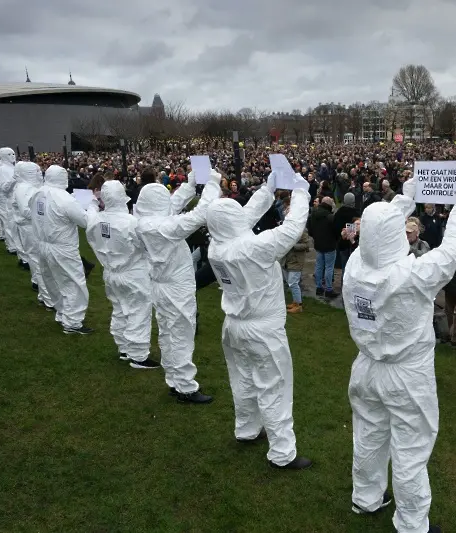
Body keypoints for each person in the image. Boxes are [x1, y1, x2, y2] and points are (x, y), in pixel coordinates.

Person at [343, 177, 456, 533]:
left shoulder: (355, 265)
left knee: (369, 436)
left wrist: (404, 199)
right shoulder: (412, 274)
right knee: (410, 449)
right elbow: (451, 254)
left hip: (366, 368)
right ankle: (413, 522)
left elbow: (375, 232)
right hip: (406, 375)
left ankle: (366, 497)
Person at [205, 171, 313, 470]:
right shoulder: (254, 248)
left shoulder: (216, 247)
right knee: (274, 388)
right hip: (263, 329)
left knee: (242, 381)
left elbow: (241, 220)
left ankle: (247, 429)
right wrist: (301, 192)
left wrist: (267, 189)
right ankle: (282, 452)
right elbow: (292, 228)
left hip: (234, 326)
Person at [134, 168, 222, 403]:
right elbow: (201, 214)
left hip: (160, 285)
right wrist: (212, 182)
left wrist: (193, 180)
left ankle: (174, 379)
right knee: (181, 334)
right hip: (175, 286)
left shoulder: (143, 221)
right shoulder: (165, 228)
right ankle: (185, 387)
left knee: (167, 332)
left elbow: (173, 204)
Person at [85, 180, 158, 369]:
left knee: (119, 309)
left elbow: (92, 239)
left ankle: (124, 348)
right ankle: (138, 355)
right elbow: (146, 246)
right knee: (138, 311)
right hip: (133, 273)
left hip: (110, 272)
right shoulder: (131, 223)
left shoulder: (96, 220)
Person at [30, 165, 94, 334]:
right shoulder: (65, 199)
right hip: (62, 247)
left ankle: (63, 313)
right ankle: (73, 322)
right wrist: (91, 206)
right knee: (73, 283)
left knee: (53, 281)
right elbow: (85, 221)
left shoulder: (38, 193)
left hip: (42, 243)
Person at [12, 162, 47, 298]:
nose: (40, 174)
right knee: (35, 256)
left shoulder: (31, 187)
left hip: (35, 226)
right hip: (29, 227)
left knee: (39, 256)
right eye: (36, 172)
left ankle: (39, 282)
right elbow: (26, 211)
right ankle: (40, 286)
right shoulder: (23, 188)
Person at [282, 204, 310, 314]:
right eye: (286, 213)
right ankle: (295, 302)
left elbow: (306, 245)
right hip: (286, 260)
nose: (286, 215)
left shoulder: (301, 229)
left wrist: (293, 245)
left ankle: (299, 305)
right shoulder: (285, 227)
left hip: (296, 260)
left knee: (293, 283)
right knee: (289, 282)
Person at [309, 195, 338, 298]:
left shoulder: (313, 213)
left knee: (319, 266)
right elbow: (336, 231)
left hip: (318, 243)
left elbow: (309, 227)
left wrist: (315, 236)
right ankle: (329, 289)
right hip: (329, 244)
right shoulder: (330, 216)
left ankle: (319, 287)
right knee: (329, 267)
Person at [0, 148, 18, 254]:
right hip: (10, 199)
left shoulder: (15, 167)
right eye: (9, 154)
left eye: (13, 153)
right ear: (3, 156)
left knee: (18, 224)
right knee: (10, 223)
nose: (13, 156)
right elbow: (4, 187)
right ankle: (11, 246)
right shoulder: (2, 169)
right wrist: (14, 179)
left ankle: (19, 245)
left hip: (19, 199)